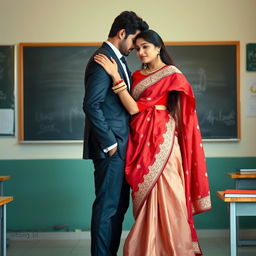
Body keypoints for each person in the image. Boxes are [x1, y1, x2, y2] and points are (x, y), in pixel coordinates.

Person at [94, 29, 211, 255]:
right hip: (139, 141)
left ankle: (175, 248)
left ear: (158, 47)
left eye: (146, 47)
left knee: (171, 197)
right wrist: (118, 77)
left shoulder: (172, 75)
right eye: (137, 48)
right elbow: (132, 110)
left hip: (164, 143)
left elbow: (134, 107)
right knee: (147, 203)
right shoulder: (136, 76)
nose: (140, 52)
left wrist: (115, 77)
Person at [82, 11, 148, 256]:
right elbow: (91, 104)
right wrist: (110, 144)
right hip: (111, 149)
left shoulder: (118, 60)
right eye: (134, 41)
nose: (136, 48)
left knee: (118, 209)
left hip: (122, 148)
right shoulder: (102, 59)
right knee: (107, 209)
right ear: (122, 33)